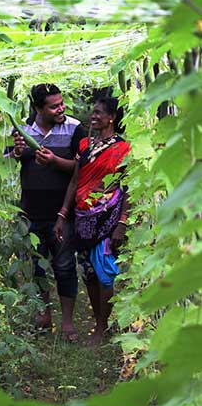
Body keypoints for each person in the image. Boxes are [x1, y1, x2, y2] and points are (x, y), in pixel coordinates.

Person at [7, 83, 86, 342]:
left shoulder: (74, 128)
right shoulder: (21, 129)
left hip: (63, 213)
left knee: (64, 267)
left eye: (61, 103)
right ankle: (44, 317)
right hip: (30, 212)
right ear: (39, 108)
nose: (61, 108)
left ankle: (67, 323)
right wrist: (17, 153)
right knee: (37, 268)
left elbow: (80, 167)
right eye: (54, 106)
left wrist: (54, 161)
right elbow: (9, 158)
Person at [54, 96, 131, 346]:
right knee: (89, 273)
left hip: (108, 220)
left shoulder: (123, 149)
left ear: (112, 117)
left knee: (106, 274)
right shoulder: (86, 144)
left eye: (99, 113)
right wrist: (63, 214)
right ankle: (100, 321)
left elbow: (128, 188)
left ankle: (101, 328)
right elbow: (75, 182)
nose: (94, 116)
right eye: (93, 113)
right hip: (83, 220)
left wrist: (122, 222)